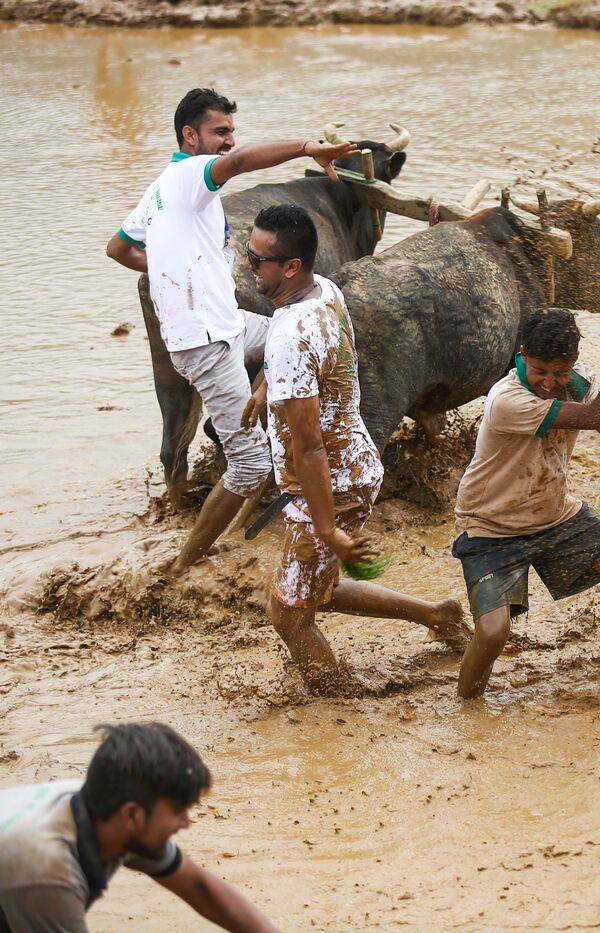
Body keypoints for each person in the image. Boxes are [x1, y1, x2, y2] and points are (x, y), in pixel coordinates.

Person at [105, 88, 357, 577]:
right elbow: (240, 162)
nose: (229, 141)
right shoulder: (188, 177)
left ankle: (289, 426)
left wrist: (175, 277)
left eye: (231, 131)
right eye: (220, 131)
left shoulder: (162, 188)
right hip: (207, 341)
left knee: (302, 335)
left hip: (230, 325)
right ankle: (184, 563)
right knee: (249, 465)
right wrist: (309, 148)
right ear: (189, 135)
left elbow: (119, 247)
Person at [240, 204, 465, 696]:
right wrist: (265, 388)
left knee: (288, 616)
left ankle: (336, 709)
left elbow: (311, 447)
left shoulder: (291, 338)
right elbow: (316, 362)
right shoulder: (323, 292)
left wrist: (326, 527)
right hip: (352, 465)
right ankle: (437, 614)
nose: (247, 265)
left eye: (257, 259)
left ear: (291, 267)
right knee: (321, 589)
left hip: (330, 483)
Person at [452, 287, 600, 698]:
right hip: (490, 527)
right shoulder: (507, 400)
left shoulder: (574, 384)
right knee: (492, 632)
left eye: (560, 372)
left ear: (572, 363)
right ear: (521, 354)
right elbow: (597, 415)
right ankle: (467, 709)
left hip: (557, 517)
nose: (549, 383)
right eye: (540, 370)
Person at [0, 722, 275, 932]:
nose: (186, 823)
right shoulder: (47, 869)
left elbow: (199, 887)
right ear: (131, 816)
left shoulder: (104, 809)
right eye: (178, 812)